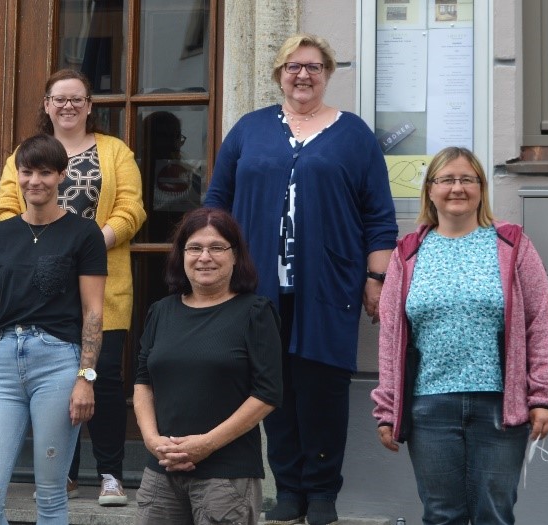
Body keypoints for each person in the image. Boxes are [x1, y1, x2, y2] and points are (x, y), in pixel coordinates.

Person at [203, 33, 397, 525]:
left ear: (327, 72)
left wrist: (376, 278)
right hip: (257, 288)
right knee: (272, 388)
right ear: (279, 74)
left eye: (313, 66)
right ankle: (288, 489)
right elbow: (216, 204)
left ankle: (323, 491)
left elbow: (378, 217)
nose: (303, 75)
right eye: (293, 66)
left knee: (323, 388)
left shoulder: (354, 135)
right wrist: (212, 266)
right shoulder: (249, 130)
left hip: (329, 286)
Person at [370, 147, 548, 525]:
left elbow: (539, 324)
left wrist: (542, 396)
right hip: (429, 405)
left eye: (467, 179)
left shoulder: (512, 245)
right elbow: (390, 338)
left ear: (481, 188)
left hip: (500, 405)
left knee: (494, 514)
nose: (457, 188)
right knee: (442, 515)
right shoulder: (408, 254)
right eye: (446, 180)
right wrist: (387, 409)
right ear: (430, 190)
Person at [0, 68, 145, 506]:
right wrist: (47, 250)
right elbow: (6, 211)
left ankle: (111, 474)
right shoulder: (24, 155)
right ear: (46, 105)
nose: (68, 106)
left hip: (105, 283)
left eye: (77, 98)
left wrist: (88, 246)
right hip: (43, 293)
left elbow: (131, 209)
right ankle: (66, 474)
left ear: (89, 105)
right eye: (59, 98)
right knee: (59, 382)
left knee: (104, 378)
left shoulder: (115, 151)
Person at [0, 134, 107, 525]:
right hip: (3, 363)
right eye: (27, 172)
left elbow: (93, 312)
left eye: (45, 172)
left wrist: (86, 377)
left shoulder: (84, 233)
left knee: (51, 496)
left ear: (61, 175)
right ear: (17, 176)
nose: (35, 181)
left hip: (58, 361)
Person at [133, 207, 282, 525]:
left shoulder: (255, 312)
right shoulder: (161, 311)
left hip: (226, 477)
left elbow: (268, 393)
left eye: (216, 247)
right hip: (161, 471)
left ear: (235, 255)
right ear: (182, 255)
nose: (205, 257)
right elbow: (143, 381)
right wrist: (151, 440)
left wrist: (206, 444)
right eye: (195, 248)